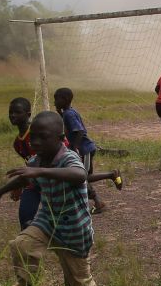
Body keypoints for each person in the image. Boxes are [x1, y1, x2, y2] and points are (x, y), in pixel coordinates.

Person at [0, 111, 97, 286]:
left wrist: (40, 171)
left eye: (42, 137)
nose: (35, 142)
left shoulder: (68, 157)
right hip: (47, 221)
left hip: (74, 230)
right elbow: (24, 178)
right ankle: (25, 285)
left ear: (61, 139)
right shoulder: (38, 159)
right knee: (22, 244)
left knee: (78, 283)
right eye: (33, 137)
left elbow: (80, 175)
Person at [8, 97, 121, 229]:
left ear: (28, 114)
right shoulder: (18, 144)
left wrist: (74, 149)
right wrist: (19, 185)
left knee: (80, 179)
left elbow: (73, 135)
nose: (12, 115)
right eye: (10, 112)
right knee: (27, 218)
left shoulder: (46, 132)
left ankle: (101, 193)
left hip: (62, 167)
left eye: (17, 112)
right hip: (39, 181)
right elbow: (31, 165)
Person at [53, 87, 110, 214]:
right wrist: (60, 114)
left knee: (82, 177)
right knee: (84, 177)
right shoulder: (68, 112)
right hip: (83, 150)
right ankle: (97, 200)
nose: (54, 102)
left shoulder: (69, 114)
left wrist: (75, 148)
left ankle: (99, 200)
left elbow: (79, 131)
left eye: (56, 99)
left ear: (65, 99)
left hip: (84, 150)